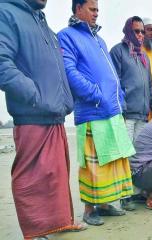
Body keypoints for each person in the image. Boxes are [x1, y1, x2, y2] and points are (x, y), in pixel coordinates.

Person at [0, 0, 87, 238]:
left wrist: (65, 100)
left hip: (54, 113)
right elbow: (2, 63)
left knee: (55, 174)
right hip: (31, 113)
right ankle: (36, 230)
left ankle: (60, 221)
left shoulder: (42, 22)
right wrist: (33, 94)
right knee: (31, 177)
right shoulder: (6, 12)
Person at [58, 0, 135, 226]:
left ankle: (104, 203)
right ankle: (89, 209)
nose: (96, 14)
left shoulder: (99, 39)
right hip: (91, 111)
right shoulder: (67, 36)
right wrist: (96, 93)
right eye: (92, 9)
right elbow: (69, 71)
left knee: (111, 160)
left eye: (98, 9)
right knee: (93, 163)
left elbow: (111, 73)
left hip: (112, 110)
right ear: (78, 8)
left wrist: (119, 96)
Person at [109, 16, 152, 210]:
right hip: (126, 114)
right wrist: (121, 110)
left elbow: (151, 88)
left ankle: (136, 192)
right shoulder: (118, 52)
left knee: (140, 155)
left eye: (141, 31)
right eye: (136, 31)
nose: (140, 35)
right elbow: (115, 83)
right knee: (125, 155)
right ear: (128, 31)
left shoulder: (144, 57)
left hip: (143, 116)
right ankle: (124, 196)